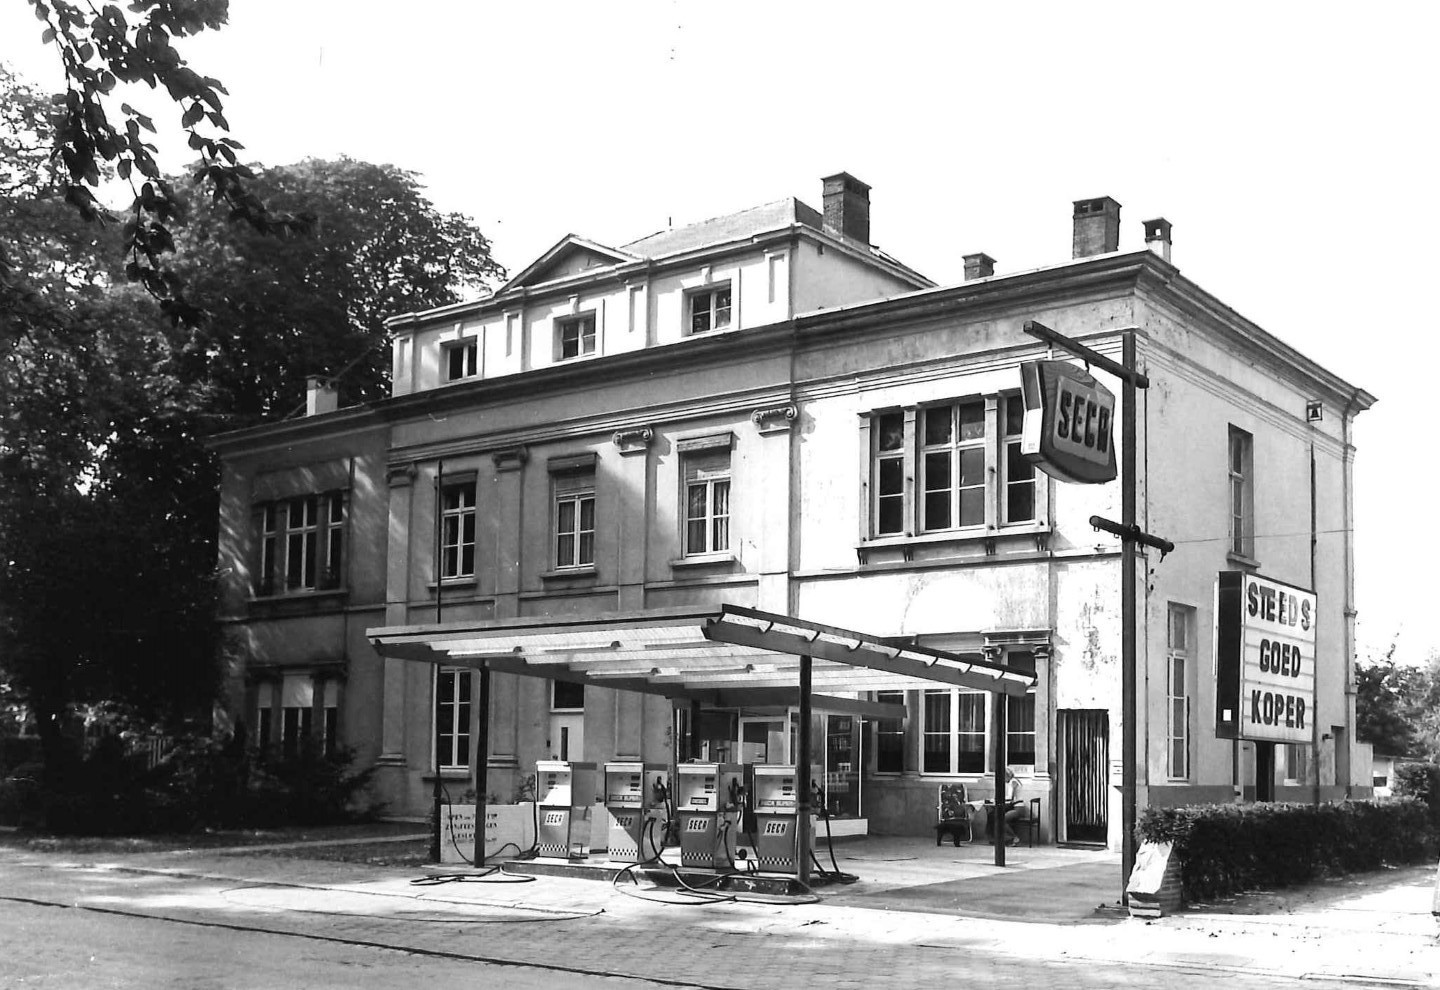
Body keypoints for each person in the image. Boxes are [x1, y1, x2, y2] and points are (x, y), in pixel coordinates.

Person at [1001, 767, 1023, 846]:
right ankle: (1008, 839)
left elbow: (1010, 797)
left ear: (1007, 776)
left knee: (1002, 819)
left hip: (1018, 808)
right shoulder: (1015, 781)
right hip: (1017, 807)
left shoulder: (1013, 782)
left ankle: (1014, 838)